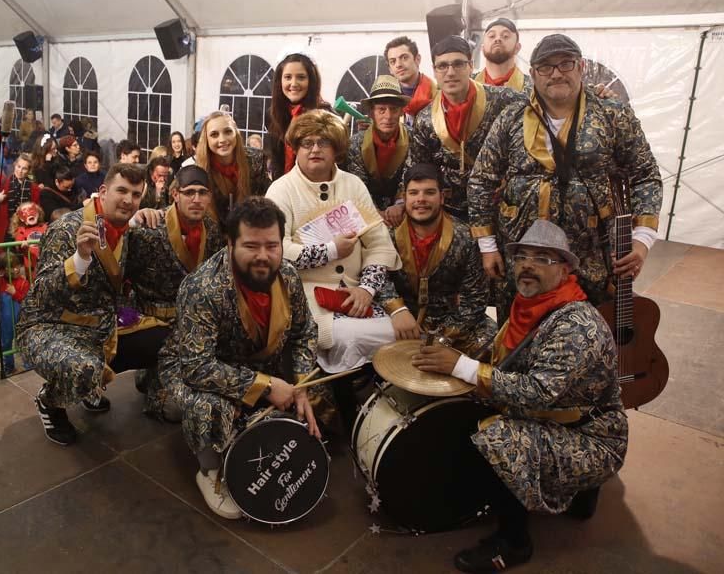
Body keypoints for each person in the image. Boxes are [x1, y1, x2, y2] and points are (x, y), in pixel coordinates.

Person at [411, 220, 627, 572]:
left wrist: (463, 368)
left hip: (592, 436)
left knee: (499, 435)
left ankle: (513, 542)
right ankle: (578, 494)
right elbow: (507, 361)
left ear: (565, 269)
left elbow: (539, 392)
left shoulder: (576, 324)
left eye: (542, 258)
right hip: (561, 417)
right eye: (522, 256)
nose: (527, 265)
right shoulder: (529, 305)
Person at [468, 34, 662, 307]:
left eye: (565, 64)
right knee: (519, 336)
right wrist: (487, 247)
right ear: (533, 74)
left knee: (583, 334)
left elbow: (645, 175)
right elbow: (480, 180)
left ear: (581, 67)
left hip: (589, 259)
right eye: (546, 67)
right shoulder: (512, 115)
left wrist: (642, 240)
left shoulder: (611, 113)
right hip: (521, 257)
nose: (556, 73)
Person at [161, 197, 320, 518]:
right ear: (230, 243)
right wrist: (264, 387)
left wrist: (302, 382)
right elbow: (196, 366)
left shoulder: (287, 276)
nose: (263, 256)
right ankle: (208, 470)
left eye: (272, 245)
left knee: (313, 399)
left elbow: (304, 331)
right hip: (192, 367)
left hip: (256, 365)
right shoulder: (202, 287)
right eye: (251, 245)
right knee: (209, 407)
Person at [265, 110, 405, 426]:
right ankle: (348, 411)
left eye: (324, 142)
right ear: (296, 149)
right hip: (309, 300)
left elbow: (380, 244)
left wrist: (367, 289)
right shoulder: (281, 190)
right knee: (345, 337)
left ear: (336, 149)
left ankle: (378, 414)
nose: (315, 149)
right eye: (307, 143)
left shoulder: (352, 185)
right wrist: (329, 250)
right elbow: (275, 249)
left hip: (356, 294)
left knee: (401, 336)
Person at [18, 164, 161, 445]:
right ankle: (51, 401)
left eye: (135, 195)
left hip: (101, 324)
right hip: (50, 327)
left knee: (164, 339)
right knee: (84, 369)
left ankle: (90, 387)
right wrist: (79, 261)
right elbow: (43, 295)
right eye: (121, 191)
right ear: (104, 191)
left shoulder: (125, 229)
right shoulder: (65, 229)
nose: (128, 200)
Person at [126, 165, 226, 418]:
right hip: (155, 325)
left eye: (203, 192)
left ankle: (155, 378)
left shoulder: (213, 230)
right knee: (173, 410)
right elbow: (118, 265)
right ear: (175, 194)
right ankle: (150, 377)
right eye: (189, 192)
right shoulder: (149, 227)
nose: (196, 199)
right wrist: (132, 219)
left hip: (196, 325)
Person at [406, 35, 524, 221]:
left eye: (458, 64)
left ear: (471, 65)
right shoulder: (425, 119)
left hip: (500, 207)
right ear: (434, 71)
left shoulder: (506, 101)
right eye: (442, 66)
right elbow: (421, 168)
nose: (450, 72)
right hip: (451, 213)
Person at [387, 163, 496, 358]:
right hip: (402, 317)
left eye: (429, 193)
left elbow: (475, 298)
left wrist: (444, 337)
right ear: (404, 198)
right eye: (413, 193)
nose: (421, 200)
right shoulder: (388, 235)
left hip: (449, 320)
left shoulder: (465, 237)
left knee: (492, 345)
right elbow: (377, 277)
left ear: (442, 197)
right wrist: (397, 309)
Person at [345, 74, 412, 227]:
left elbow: (411, 175)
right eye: (381, 110)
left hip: (405, 209)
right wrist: (374, 211)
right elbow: (358, 183)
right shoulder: (356, 143)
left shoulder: (413, 139)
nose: (388, 116)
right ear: (371, 113)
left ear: (401, 111)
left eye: (393, 109)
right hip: (366, 211)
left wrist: (400, 205)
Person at [191, 111, 270, 225]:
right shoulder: (199, 169)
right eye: (214, 135)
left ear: (236, 134)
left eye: (228, 132)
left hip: (251, 228)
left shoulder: (257, 160)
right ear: (206, 140)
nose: (222, 139)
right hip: (215, 235)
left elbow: (268, 198)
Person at [266, 53, 328, 177]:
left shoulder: (326, 115)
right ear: (280, 81)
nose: (293, 83)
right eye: (288, 77)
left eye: (301, 77)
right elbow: (276, 159)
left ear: (311, 80)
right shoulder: (273, 114)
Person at [0, 153, 40, 244]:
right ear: (14, 165)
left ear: (29, 170)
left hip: (25, 230)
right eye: (18, 166)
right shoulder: (3, 183)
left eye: (24, 168)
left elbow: (37, 211)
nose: (20, 171)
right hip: (4, 231)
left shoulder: (34, 189)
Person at [384, 36, 437, 128]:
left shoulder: (438, 95)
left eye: (404, 58)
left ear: (417, 59)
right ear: (390, 69)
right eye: (393, 61)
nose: (398, 65)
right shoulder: (385, 99)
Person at [473, 18, 532, 93]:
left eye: (505, 36)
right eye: (492, 36)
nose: (498, 39)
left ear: (517, 47)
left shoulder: (533, 88)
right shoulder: (467, 86)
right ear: (482, 48)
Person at [0, 256, 30, 375]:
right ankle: (9, 366)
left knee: (23, 341)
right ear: (3, 270)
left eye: (17, 266)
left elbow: (26, 301)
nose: (15, 270)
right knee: (6, 343)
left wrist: (15, 293)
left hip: (21, 319)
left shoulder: (24, 283)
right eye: (11, 267)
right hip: (5, 321)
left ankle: (28, 365)